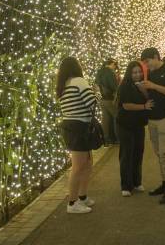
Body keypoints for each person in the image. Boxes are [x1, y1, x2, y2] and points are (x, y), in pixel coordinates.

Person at [139, 47, 165, 204]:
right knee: (158, 153)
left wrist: (154, 86)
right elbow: (151, 94)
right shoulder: (150, 73)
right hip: (152, 119)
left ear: (156, 57)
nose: (146, 65)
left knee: (164, 154)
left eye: (147, 61)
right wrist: (144, 90)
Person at [56, 56, 98, 214]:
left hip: (70, 127)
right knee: (79, 166)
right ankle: (72, 203)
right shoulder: (79, 81)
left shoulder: (63, 85)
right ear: (76, 67)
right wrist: (95, 92)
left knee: (86, 163)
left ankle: (82, 196)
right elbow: (92, 102)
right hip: (79, 127)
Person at [116, 61, 153, 196]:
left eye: (139, 72)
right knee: (127, 154)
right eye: (134, 72)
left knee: (138, 152)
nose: (137, 75)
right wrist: (144, 107)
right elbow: (126, 105)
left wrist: (144, 91)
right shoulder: (124, 86)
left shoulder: (143, 85)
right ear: (129, 73)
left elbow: (149, 99)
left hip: (138, 124)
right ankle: (125, 185)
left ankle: (137, 182)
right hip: (125, 124)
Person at [95, 58, 119, 145]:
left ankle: (106, 139)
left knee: (105, 119)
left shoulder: (99, 72)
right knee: (117, 117)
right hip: (110, 98)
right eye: (114, 65)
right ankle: (117, 138)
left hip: (102, 99)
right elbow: (115, 87)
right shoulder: (109, 73)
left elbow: (96, 85)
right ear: (110, 64)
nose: (115, 67)